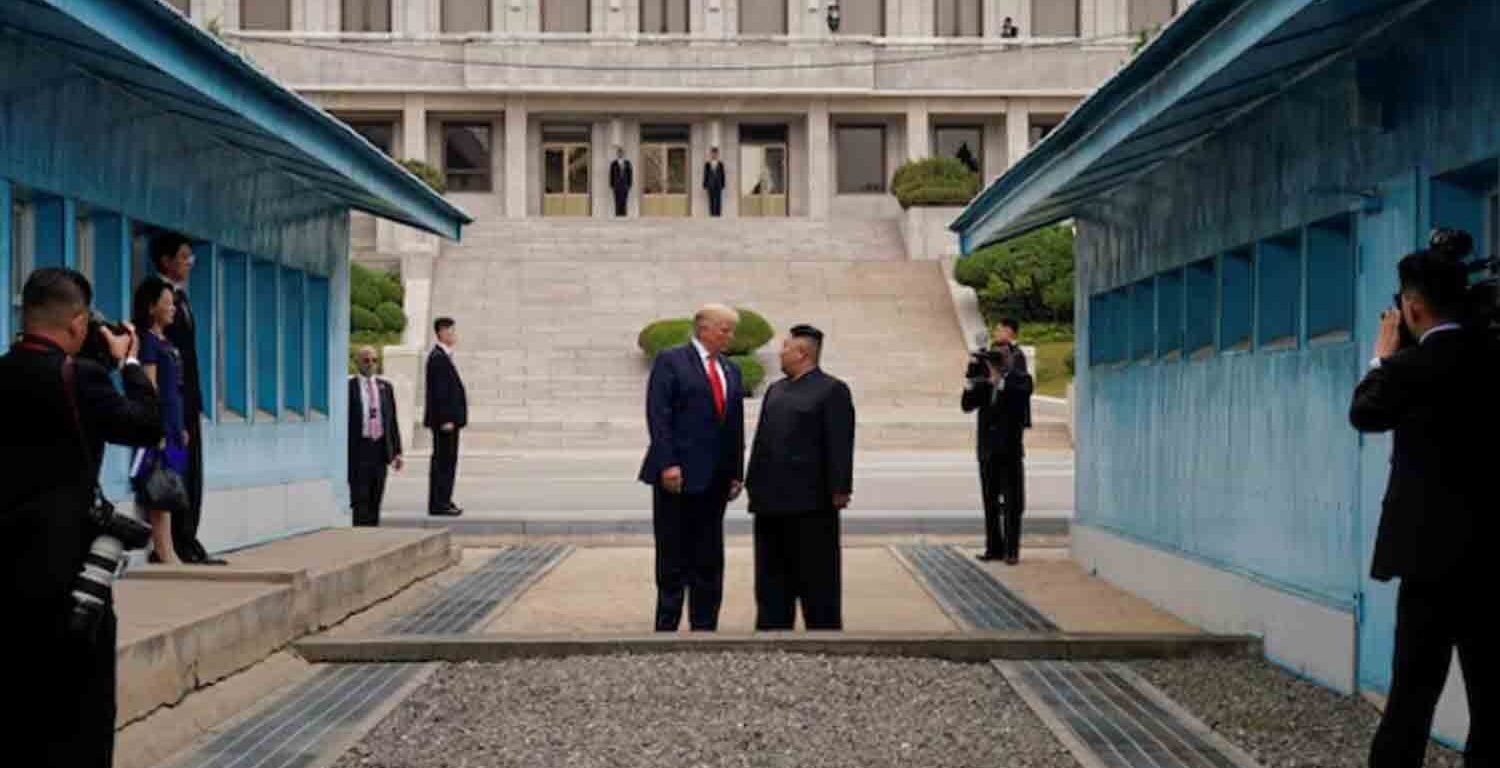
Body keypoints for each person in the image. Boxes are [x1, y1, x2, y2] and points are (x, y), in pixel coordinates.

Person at [1, 267, 162, 767]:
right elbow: (146, 425)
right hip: (73, 576)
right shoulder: (82, 378)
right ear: (76, 323)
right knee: (81, 713)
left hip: (6, 573)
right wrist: (131, 362)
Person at [1350, 250, 1496, 768]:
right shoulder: (1489, 356)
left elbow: (1365, 413)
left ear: (1413, 308)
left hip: (1427, 562)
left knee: (1412, 695)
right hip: (1490, 560)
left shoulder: (1409, 368)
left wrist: (1381, 356)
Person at [638, 304, 745, 631]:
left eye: (731, 329)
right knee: (673, 553)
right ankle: (667, 626)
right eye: (724, 329)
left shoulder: (730, 369)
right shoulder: (671, 360)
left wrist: (736, 472)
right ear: (704, 329)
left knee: (709, 555)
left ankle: (705, 624)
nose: (730, 336)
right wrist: (669, 463)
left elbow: (735, 424)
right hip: (678, 477)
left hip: (715, 479)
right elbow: (659, 416)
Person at [745, 324, 855, 630]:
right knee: (770, 574)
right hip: (769, 501)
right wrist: (752, 483)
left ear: (802, 353)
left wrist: (840, 487)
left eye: (785, 347)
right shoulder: (776, 390)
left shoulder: (832, 389)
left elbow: (840, 442)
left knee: (816, 575)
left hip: (812, 502)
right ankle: (772, 627)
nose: (780, 353)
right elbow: (761, 441)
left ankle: (823, 630)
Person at [153, 232, 223, 564]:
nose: (190, 263)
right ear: (166, 261)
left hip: (189, 400)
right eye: (184, 257)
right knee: (176, 471)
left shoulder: (182, 298)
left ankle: (189, 537)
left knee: (192, 471)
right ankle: (176, 541)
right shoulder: (159, 297)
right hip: (173, 402)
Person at [132, 276, 188, 564]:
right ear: (152, 306)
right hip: (161, 424)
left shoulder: (168, 342)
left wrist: (182, 427)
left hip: (176, 425)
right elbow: (150, 386)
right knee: (159, 487)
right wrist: (158, 426)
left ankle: (169, 546)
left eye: (173, 303)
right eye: (166, 303)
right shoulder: (149, 342)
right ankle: (164, 550)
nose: (172, 308)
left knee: (173, 485)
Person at [962, 340, 1032, 564]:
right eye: (995, 356)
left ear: (1010, 358)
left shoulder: (1020, 380)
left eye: (1001, 356)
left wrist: (1000, 380)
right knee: (990, 502)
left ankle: (1011, 551)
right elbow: (966, 405)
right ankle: (994, 547)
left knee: (1013, 503)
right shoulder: (985, 382)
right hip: (987, 451)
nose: (997, 361)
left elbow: (1020, 397)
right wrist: (971, 378)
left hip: (1010, 451)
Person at [348, 346, 404, 527]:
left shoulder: (385, 387)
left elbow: (392, 421)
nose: (371, 364)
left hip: (380, 448)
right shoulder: (348, 388)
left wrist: (397, 451)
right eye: (366, 360)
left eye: (374, 360)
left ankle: (373, 532)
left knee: (376, 496)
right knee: (360, 497)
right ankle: (360, 534)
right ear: (357, 362)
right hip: (358, 448)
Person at [425, 317, 466, 517]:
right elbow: (440, 393)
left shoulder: (443, 356)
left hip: (448, 422)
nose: (454, 335)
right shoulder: (438, 358)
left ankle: (444, 500)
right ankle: (439, 503)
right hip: (445, 423)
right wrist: (446, 419)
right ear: (441, 332)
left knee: (447, 462)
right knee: (443, 462)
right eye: (451, 331)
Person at [703, 147, 727, 217]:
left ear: (717, 154)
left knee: (718, 201)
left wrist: (723, 184)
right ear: (711, 154)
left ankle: (718, 215)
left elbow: (723, 175)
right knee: (711, 201)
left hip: (718, 185)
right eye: (713, 153)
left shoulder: (721, 164)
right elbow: (705, 175)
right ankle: (712, 215)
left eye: (716, 153)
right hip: (710, 185)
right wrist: (705, 184)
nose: (714, 155)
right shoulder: (707, 164)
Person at [609, 146, 633, 217]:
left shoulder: (627, 163)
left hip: (625, 186)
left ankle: (624, 215)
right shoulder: (613, 164)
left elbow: (630, 174)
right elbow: (611, 175)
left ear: (623, 154)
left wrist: (629, 185)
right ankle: (617, 215)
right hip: (616, 186)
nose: (620, 154)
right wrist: (612, 185)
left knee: (624, 201)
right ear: (617, 154)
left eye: (621, 153)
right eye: (619, 153)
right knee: (617, 201)